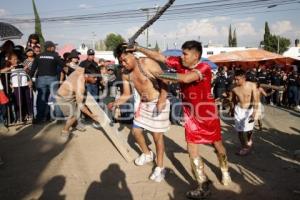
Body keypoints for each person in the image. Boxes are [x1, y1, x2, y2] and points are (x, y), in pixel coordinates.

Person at [132, 40, 231, 199]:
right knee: (191, 149)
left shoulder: (203, 68)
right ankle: (202, 185)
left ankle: (225, 170)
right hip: (191, 115)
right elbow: (159, 56)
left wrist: (156, 74)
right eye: (182, 53)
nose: (182, 57)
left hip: (207, 114)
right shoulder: (179, 62)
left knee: (217, 144)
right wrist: (138, 48)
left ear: (196, 55)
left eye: (185, 54)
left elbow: (185, 79)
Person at [110, 43, 170, 182]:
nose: (123, 64)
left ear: (133, 54)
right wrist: (116, 102)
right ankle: (147, 154)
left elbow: (166, 80)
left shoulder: (147, 63)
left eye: (125, 60)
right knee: (136, 132)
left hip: (158, 102)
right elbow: (126, 94)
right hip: (144, 104)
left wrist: (162, 99)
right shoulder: (125, 74)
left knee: (157, 137)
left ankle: (160, 168)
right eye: (120, 62)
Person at [56, 64, 99, 139]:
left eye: (97, 77)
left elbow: (77, 67)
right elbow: (81, 106)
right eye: (94, 77)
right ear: (86, 75)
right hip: (63, 98)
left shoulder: (81, 70)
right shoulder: (80, 86)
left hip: (71, 94)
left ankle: (75, 124)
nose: (96, 79)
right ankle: (65, 132)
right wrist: (91, 115)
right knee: (74, 115)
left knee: (76, 113)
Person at [29, 41, 64, 123]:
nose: (54, 48)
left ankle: (39, 118)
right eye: (54, 47)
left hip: (41, 79)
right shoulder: (55, 55)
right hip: (52, 78)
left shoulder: (38, 56)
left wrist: (29, 78)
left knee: (41, 98)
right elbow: (63, 66)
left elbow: (33, 69)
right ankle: (59, 117)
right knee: (55, 98)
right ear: (50, 47)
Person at [231, 69, 259, 156]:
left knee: (248, 130)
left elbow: (255, 99)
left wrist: (254, 112)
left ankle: (249, 140)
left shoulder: (251, 85)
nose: (235, 81)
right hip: (238, 110)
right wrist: (232, 110)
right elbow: (233, 100)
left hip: (249, 110)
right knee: (239, 130)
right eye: (235, 79)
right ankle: (244, 147)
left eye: (237, 79)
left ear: (244, 78)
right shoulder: (234, 88)